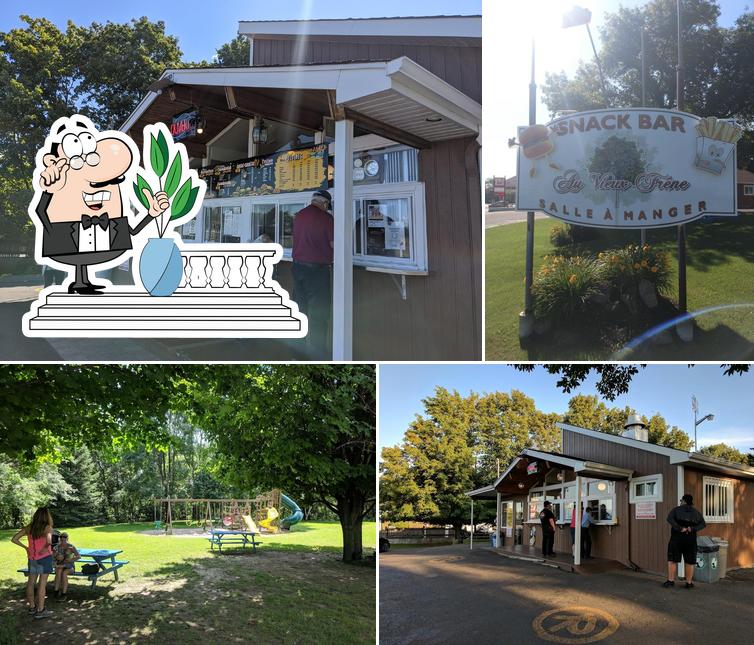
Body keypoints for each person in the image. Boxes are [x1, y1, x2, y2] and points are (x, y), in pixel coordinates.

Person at [291, 189, 333, 358]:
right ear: (325, 203)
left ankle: (297, 354)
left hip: (297, 269)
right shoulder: (327, 218)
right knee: (318, 315)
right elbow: (334, 244)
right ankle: (318, 356)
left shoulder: (299, 215)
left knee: (300, 312)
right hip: (317, 271)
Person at [11, 507, 55, 619]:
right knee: (42, 584)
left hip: (32, 559)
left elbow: (14, 539)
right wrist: (45, 548)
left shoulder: (29, 527)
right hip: (45, 558)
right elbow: (49, 542)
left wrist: (26, 548)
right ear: (46, 516)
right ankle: (40, 610)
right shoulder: (47, 527)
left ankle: (32, 607)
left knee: (31, 582)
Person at [664, 493, 706, 589]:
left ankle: (670, 581)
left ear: (683, 501)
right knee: (690, 562)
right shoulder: (696, 512)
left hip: (676, 539)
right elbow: (703, 524)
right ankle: (689, 583)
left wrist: (680, 528)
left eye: (681, 501)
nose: (680, 502)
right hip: (690, 540)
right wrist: (692, 529)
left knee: (672, 560)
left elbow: (669, 519)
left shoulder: (676, 510)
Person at [52, 532, 80, 601]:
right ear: (59, 539)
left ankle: (64, 594)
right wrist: (55, 563)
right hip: (59, 565)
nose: (63, 541)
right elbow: (52, 558)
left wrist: (71, 559)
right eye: (61, 539)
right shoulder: (56, 547)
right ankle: (56, 591)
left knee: (64, 573)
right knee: (59, 571)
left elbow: (78, 556)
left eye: (64, 539)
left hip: (69, 566)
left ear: (67, 539)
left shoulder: (71, 547)